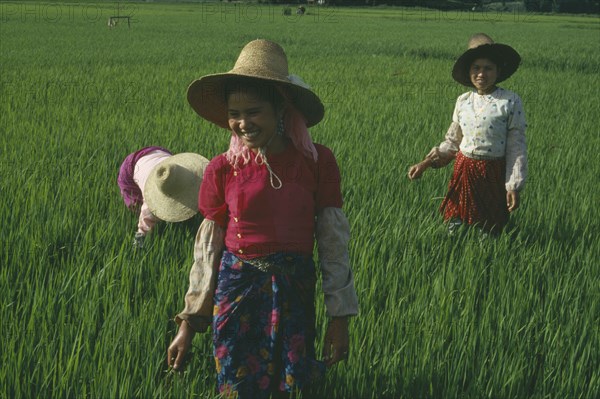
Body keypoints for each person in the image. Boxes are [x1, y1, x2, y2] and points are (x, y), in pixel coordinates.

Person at [167, 39, 359, 398]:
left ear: (281, 109)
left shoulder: (317, 163)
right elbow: (207, 254)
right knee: (237, 384)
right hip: (236, 291)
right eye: (234, 114)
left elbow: (333, 243)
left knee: (294, 384)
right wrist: (189, 323)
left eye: (253, 112)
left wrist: (340, 316)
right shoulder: (222, 169)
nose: (242, 123)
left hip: (294, 292)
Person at [408, 33, 528, 235]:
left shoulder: (510, 101)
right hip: (464, 169)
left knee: (488, 226)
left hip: (492, 172)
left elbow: (516, 146)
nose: (482, 74)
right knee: (456, 220)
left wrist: (513, 185)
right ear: (469, 72)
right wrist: (425, 163)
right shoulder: (463, 101)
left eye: (488, 68)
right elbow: (452, 141)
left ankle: (486, 258)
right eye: (476, 68)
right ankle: (450, 249)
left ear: (498, 71)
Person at [118, 147, 209, 247]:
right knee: (136, 206)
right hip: (131, 167)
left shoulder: (184, 173)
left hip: (159, 154)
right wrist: (138, 245)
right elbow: (144, 227)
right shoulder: (150, 206)